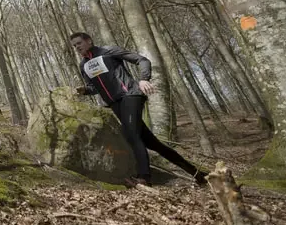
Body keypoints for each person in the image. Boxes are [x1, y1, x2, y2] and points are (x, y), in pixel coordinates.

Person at [70, 32, 207, 188]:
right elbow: (94, 87)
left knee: (131, 134)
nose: (77, 47)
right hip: (114, 103)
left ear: (89, 41)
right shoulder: (84, 66)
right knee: (153, 143)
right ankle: (198, 174)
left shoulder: (108, 51)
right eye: (74, 46)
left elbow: (142, 60)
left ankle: (144, 177)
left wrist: (144, 79)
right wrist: (84, 90)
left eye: (79, 43)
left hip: (130, 94)